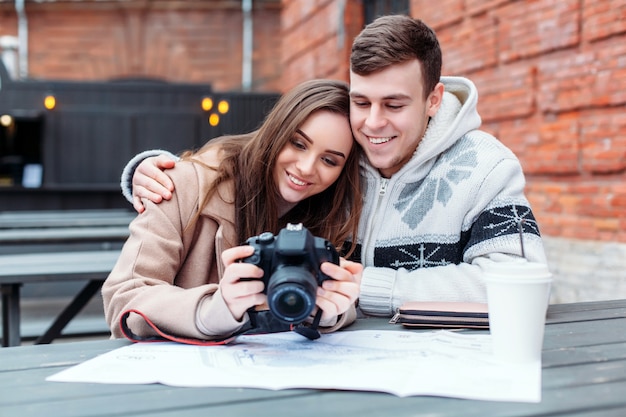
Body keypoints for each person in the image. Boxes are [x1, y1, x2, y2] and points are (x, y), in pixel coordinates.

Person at [120, 15, 546, 319]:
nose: (373, 123)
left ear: (433, 99)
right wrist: (152, 172)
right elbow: (246, 159)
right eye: (361, 102)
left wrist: (370, 288)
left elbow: (523, 284)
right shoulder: (346, 153)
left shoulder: (485, 167)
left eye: (394, 105)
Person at [103, 79, 364, 343]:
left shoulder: (333, 214)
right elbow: (123, 299)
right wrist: (212, 311)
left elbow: (339, 302)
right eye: (298, 143)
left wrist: (327, 311)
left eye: (329, 160)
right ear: (276, 131)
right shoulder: (182, 185)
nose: (307, 167)